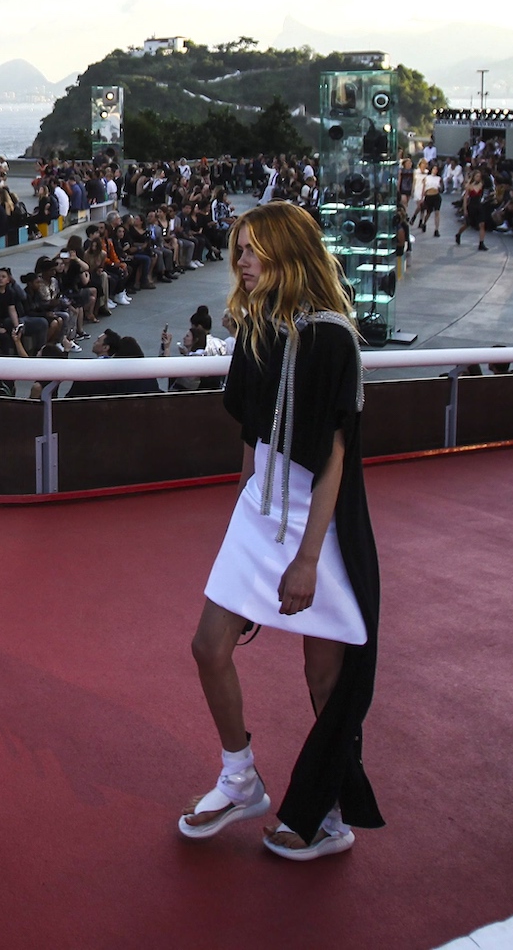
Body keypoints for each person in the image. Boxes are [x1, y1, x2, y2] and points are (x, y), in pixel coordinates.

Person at [183, 200, 382, 862]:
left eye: (252, 249)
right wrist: (240, 525)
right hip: (259, 505)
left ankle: (326, 812)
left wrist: (304, 559)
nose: (240, 261)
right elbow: (250, 435)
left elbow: (334, 459)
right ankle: (239, 777)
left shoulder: (332, 337)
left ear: (288, 253)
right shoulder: (258, 327)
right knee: (209, 645)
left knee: (325, 679)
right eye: (238, 249)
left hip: (314, 519)